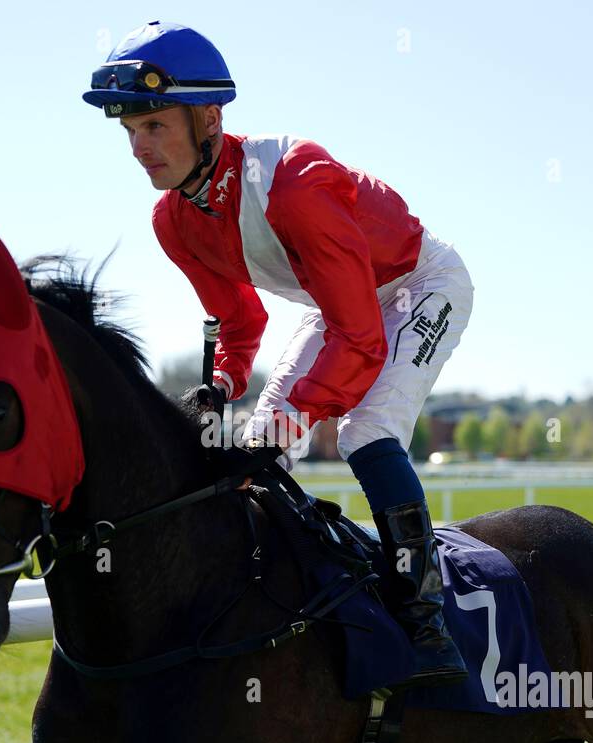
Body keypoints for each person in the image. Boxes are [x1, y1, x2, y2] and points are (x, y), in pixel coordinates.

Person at [83, 21, 475, 690]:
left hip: (418, 287)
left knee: (365, 429)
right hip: (338, 301)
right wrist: (222, 384)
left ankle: (424, 616)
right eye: (131, 131)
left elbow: (362, 342)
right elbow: (239, 318)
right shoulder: (173, 220)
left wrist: (294, 424)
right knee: (259, 446)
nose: (140, 148)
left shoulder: (294, 186)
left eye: (155, 126)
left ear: (208, 118)